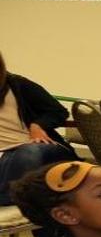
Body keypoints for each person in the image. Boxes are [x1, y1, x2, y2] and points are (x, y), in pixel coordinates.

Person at [0, 52, 76, 205]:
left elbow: (58, 111)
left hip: (33, 148)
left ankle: (10, 198)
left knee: (31, 152)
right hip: (3, 159)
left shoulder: (18, 85)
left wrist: (37, 125)